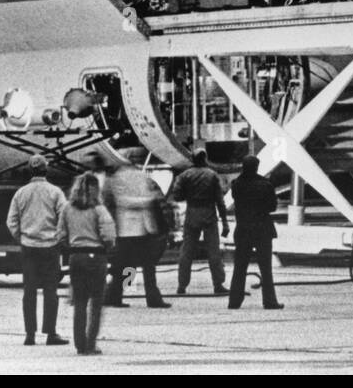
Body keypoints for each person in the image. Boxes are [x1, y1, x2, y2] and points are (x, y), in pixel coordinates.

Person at [6, 155, 68, 346]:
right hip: (50, 248)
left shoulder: (21, 193)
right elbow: (64, 218)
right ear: (46, 170)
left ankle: (30, 334)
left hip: (29, 248)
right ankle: (51, 333)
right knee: (51, 291)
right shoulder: (55, 192)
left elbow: (11, 221)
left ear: (30, 171)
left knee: (29, 291)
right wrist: (58, 238)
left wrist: (22, 237)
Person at [103, 158, 172, 309]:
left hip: (129, 228)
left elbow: (118, 200)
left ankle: (114, 296)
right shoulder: (136, 176)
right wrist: (145, 201)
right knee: (145, 265)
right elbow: (127, 200)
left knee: (126, 265)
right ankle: (152, 299)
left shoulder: (120, 177)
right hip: (137, 227)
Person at [63, 172, 117, 355]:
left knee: (79, 303)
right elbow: (109, 235)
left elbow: (61, 234)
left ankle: (79, 344)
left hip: (76, 257)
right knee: (96, 302)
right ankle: (90, 343)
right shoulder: (99, 210)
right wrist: (107, 246)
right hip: (96, 256)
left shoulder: (67, 209)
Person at [227, 155, 283, 310]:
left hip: (243, 229)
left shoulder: (236, 184)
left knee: (239, 267)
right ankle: (270, 301)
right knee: (266, 268)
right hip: (262, 228)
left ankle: (234, 301)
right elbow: (272, 207)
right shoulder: (265, 184)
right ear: (257, 167)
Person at [172, 149, 230, 296]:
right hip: (209, 216)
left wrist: (189, 195)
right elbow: (220, 201)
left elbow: (177, 196)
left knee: (186, 252)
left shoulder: (185, 176)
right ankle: (218, 284)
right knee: (214, 252)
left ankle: (182, 285)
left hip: (192, 215)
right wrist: (225, 222)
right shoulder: (212, 175)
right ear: (205, 158)